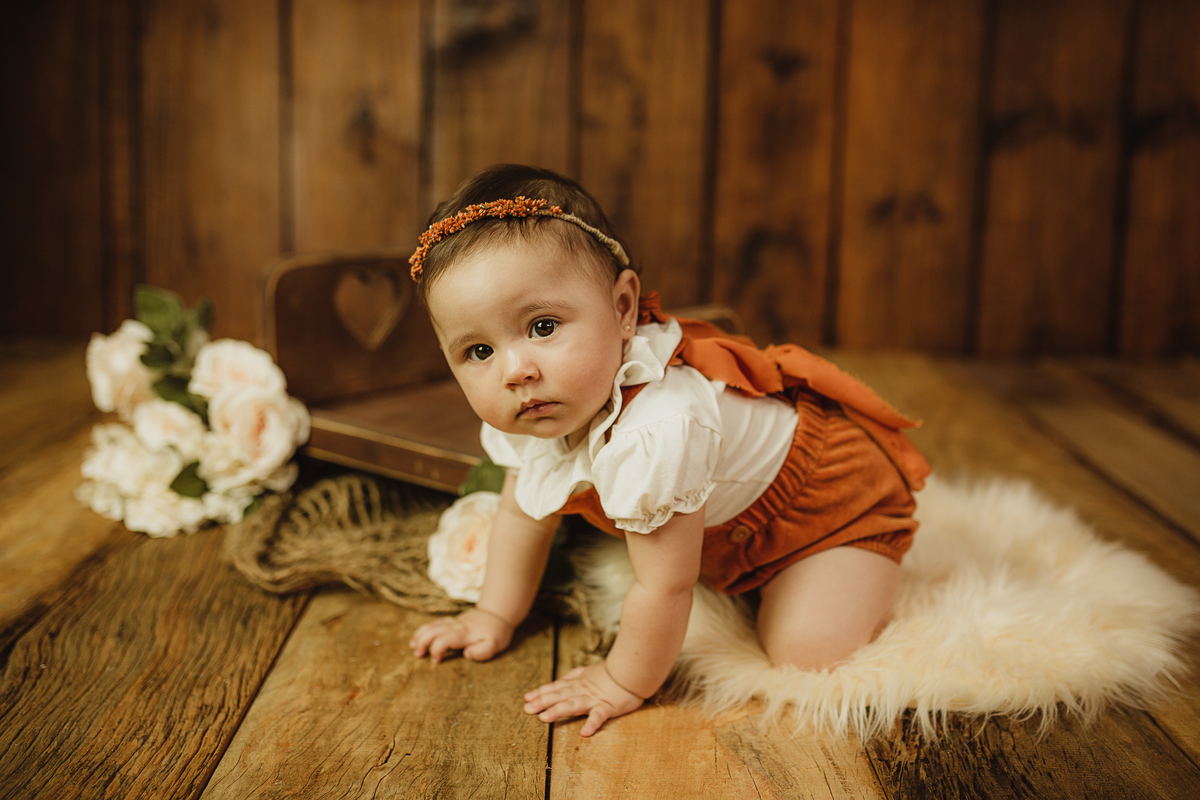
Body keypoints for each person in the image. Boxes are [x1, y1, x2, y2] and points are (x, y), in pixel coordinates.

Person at [409, 164, 929, 737]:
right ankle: (761, 577)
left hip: (824, 503)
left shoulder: (655, 427)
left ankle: (863, 559)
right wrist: (494, 613)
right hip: (729, 528)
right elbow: (521, 513)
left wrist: (623, 681)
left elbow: (665, 585)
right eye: (478, 350)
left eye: (543, 325)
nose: (516, 371)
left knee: (806, 652)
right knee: (693, 567)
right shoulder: (535, 408)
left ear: (624, 307)